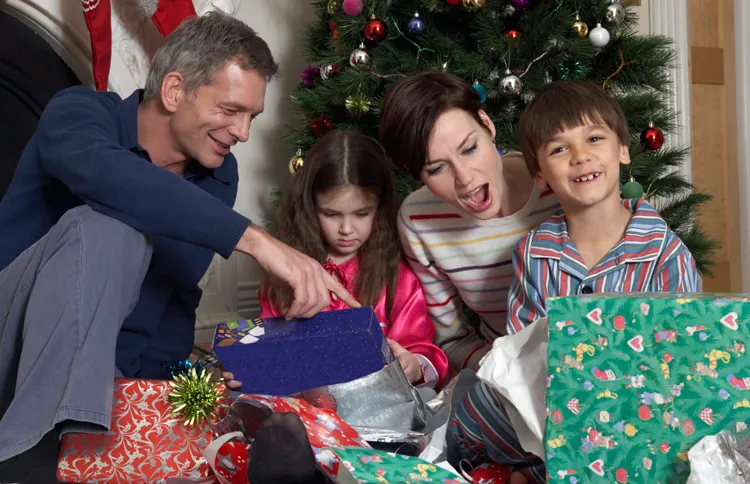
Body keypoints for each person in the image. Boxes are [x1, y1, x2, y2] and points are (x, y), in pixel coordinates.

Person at [0, 12, 358, 467]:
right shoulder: (78, 113)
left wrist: (163, 396)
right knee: (108, 228)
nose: (243, 134)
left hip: (96, 375)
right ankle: (29, 457)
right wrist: (258, 241)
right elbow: (116, 181)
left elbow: (169, 299)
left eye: (252, 116)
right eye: (230, 111)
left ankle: (87, 450)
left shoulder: (216, 175)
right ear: (173, 91)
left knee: (215, 426)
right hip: (8, 336)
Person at [449, 80, 699, 484]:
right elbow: (520, 361)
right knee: (478, 397)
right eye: (559, 149)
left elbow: (684, 368)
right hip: (551, 415)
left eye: (595, 138)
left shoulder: (665, 255)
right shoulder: (534, 252)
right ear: (541, 176)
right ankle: (525, 468)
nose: (581, 157)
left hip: (641, 419)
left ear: (622, 149)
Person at [225, 130, 449, 390]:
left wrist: (413, 364)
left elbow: (426, 352)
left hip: (378, 412)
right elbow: (266, 343)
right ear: (310, 208)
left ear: (380, 207)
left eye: (362, 213)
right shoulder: (286, 273)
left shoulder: (399, 278)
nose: (346, 229)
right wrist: (248, 368)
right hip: (307, 408)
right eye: (331, 214)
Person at [378, 71, 559, 372]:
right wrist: (509, 376)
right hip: (502, 376)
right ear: (417, 174)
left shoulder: (556, 182)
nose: (465, 178)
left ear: (487, 125)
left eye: (470, 149)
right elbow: (452, 340)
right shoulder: (418, 219)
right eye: (436, 169)